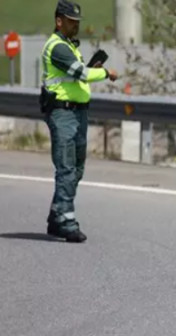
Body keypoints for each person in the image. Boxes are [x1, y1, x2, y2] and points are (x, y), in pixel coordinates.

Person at [41, 0, 118, 242]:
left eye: (77, 22)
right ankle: (66, 221)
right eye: (72, 22)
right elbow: (82, 74)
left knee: (77, 168)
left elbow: (77, 75)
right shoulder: (57, 47)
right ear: (59, 21)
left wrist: (90, 67)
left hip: (77, 113)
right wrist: (105, 72)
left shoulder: (70, 46)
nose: (76, 26)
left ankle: (57, 216)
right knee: (66, 168)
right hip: (62, 114)